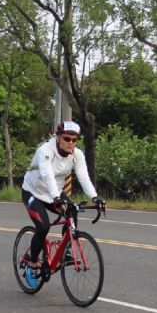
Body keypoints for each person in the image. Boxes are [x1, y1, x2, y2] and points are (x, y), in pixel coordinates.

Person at [20, 121, 105, 288]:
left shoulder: (76, 154)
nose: (71, 143)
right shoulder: (45, 151)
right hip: (34, 192)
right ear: (58, 137)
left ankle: (66, 250)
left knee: (72, 210)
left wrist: (95, 198)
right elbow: (47, 175)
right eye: (67, 139)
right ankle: (32, 263)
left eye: (75, 139)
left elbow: (83, 176)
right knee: (43, 227)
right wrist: (56, 198)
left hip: (55, 193)